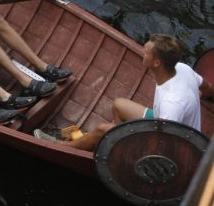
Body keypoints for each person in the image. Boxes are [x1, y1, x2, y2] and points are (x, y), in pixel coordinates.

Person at [35, 34, 214, 148]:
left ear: (156, 63)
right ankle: (113, 143)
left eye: (146, 53)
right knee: (119, 105)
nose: (142, 54)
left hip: (175, 144)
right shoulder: (182, 68)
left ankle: (63, 147)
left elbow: (162, 142)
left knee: (103, 129)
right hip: (163, 124)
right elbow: (207, 87)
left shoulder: (171, 104)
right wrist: (201, 96)